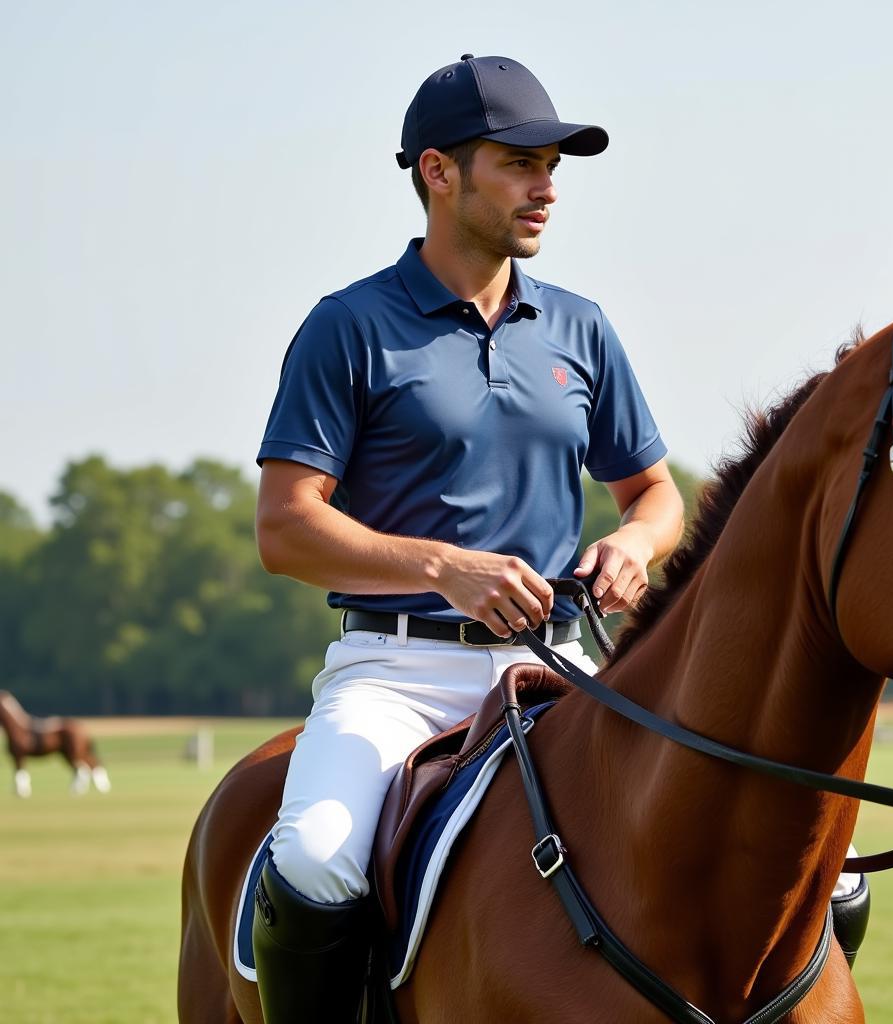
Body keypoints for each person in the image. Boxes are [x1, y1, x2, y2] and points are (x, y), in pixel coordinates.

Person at [250, 54, 685, 1022]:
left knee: (800, 861)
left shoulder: (580, 327)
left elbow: (653, 492)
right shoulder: (348, 327)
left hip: (559, 668)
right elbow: (284, 527)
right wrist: (443, 567)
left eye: (553, 165)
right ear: (437, 172)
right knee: (318, 857)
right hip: (395, 674)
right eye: (519, 163)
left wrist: (636, 546)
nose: (547, 187)